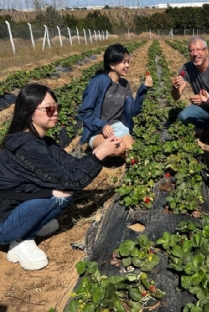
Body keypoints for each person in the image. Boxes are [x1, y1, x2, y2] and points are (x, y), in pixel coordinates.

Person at [0, 83, 120, 270]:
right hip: (2, 223)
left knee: (57, 190)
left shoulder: (43, 142)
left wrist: (98, 151)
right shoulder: (27, 146)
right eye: (49, 109)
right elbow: (72, 182)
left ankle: (29, 224)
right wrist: (99, 155)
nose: (55, 112)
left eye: (57, 107)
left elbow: (72, 165)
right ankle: (21, 239)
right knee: (62, 193)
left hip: (15, 204)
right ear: (29, 111)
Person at [78, 43, 153, 157]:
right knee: (119, 148)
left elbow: (133, 111)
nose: (127, 65)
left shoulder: (124, 85)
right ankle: (94, 157)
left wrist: (143, 89)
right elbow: (84, 112)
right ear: (112, 65)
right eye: (124, 62)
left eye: (128, 61)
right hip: (97, 130)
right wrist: (102, 125)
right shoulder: (98, 82)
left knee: (132, 153)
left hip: (117, 127)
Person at [171, 36, 209, 139]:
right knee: (183, 116)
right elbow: (176, 97)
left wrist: (205, 100)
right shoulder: (186, 68)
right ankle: (207, 127)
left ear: (207, 51)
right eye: (191, 50)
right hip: (204, 106)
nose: (195, 54)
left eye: (198, 49)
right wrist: (175, 88)